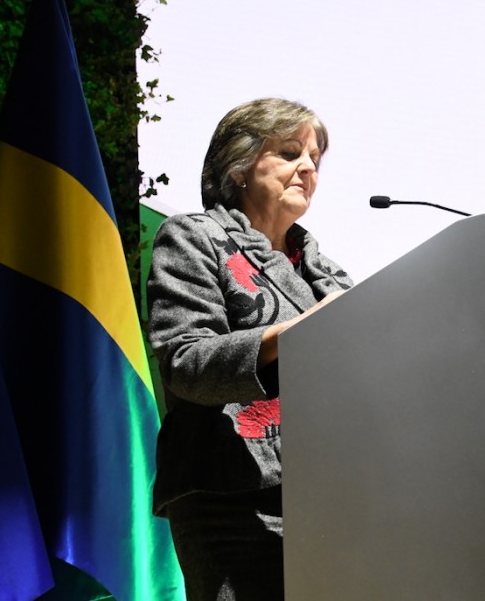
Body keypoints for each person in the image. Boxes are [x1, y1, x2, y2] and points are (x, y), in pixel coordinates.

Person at [147, 97, 354, 600]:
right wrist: (295, 333)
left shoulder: (329, 275)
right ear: (237, 167)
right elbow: (185, 361)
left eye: (314, 159)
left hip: (335, 494)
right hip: (232, 495)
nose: (308, 168)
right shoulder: (195, 237)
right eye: (289, 152)